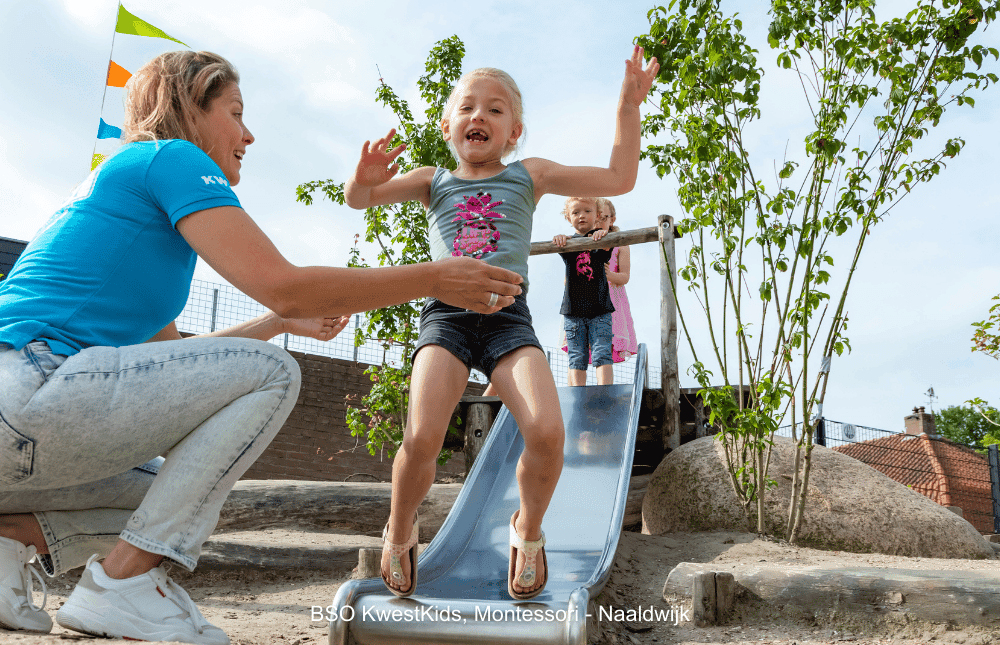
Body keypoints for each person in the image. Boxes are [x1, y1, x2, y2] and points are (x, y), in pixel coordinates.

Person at [0, 51, 522, 644]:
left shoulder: (129, 204)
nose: (248, 135)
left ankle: (10, 539)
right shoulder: (173, 159)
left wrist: (277, 322)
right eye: (235, 113)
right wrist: (434, 278)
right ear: (189, 110)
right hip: (27, 392)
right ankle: (123, 586)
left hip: (25, 419)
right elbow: (285, 282)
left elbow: (182, 366)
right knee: (274, 375)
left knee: (169, 497)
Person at [345, 46, 658, 600]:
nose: (479, 117)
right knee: (421, 435)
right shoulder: (431, 180)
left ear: (515, 132)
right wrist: (363, 179)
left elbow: (619, 177)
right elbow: (360, 199)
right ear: (448, 125)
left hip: (509, 320)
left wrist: (628, 108)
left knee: (546, 430)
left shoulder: (527, 176)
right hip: (446, 319)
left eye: (495, 110)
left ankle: (528, 530)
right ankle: (399, 527)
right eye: (468, 107)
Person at [552, 197, 615, 386]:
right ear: (568, 217)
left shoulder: (602, 237)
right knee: (576, 356)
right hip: (573, 312)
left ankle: (605, 392)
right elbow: (559, 245)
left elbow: (606, 246)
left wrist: (603, 235)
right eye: (575, 212)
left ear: (597, 216)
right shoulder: (568, 242)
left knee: (601, 352)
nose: (581, 216)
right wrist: (559, 238)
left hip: (600, 309)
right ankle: (577, 395)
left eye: (587, 211)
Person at [597, 198, 637, 363]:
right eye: (596, 217)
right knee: (584, 345)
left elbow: (625, 276)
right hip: (589, 298)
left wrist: (608, 275)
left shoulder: (621, 244)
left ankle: (605, 384)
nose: (599, 222)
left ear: (612, 219)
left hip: (612, 300)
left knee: (607, 342)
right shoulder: (582, 242)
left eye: (603, 218)